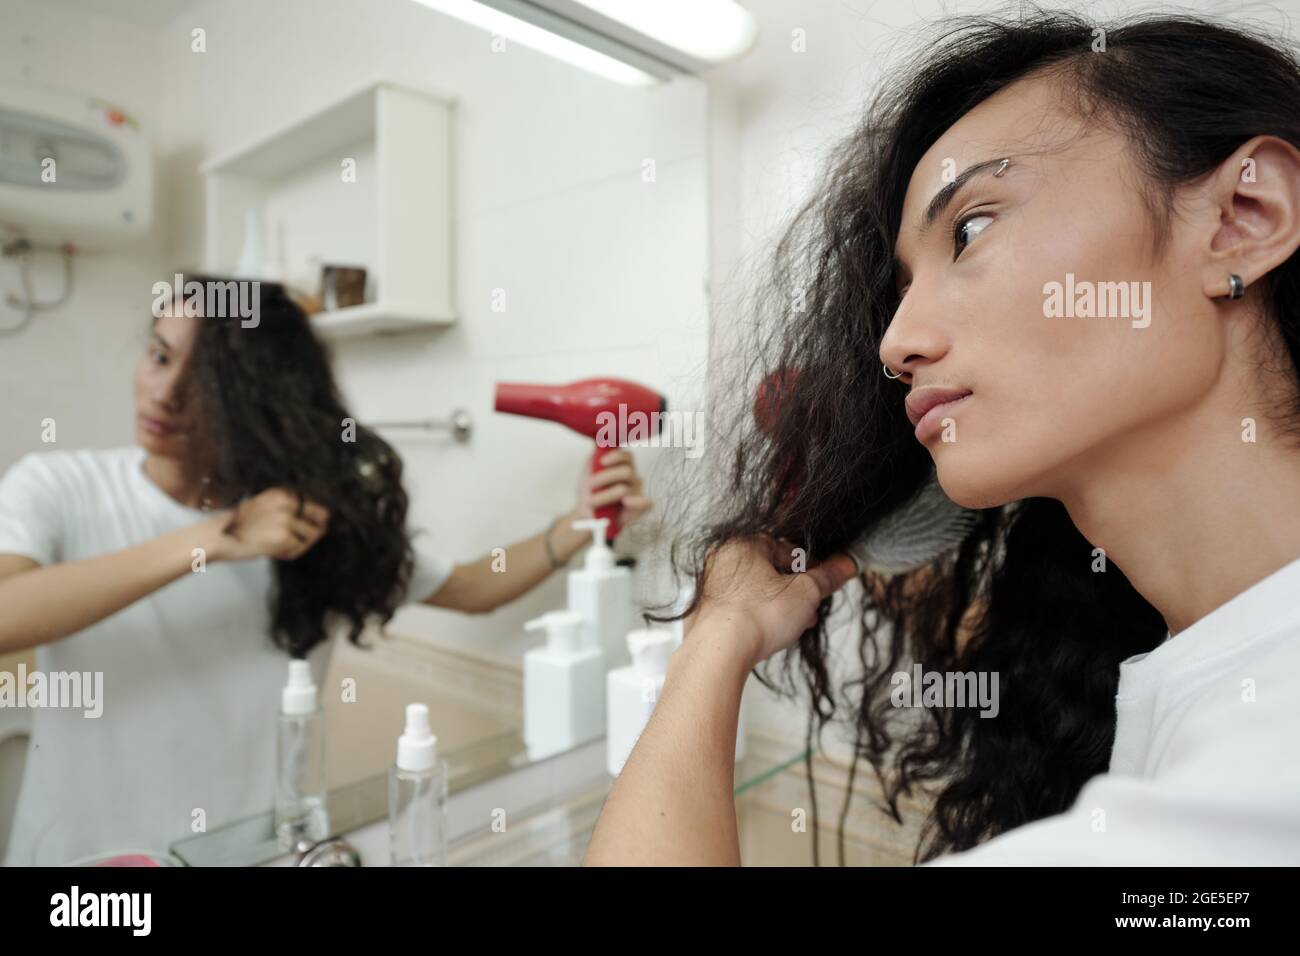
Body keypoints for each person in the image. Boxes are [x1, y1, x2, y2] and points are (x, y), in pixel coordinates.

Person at [586, 10, 1300, 865]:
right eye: (901, 287)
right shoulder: (1201, 680)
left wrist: (716, 640)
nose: (895, 344)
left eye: (969, 229)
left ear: (1244, 218)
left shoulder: (1261, 787)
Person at [0, 278, 650, 865]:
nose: (164, 393)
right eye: (159, 355)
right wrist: (215, 539)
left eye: (201, 381)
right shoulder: (59, 487)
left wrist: (573, 526)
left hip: (256, 858)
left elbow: (472, 588)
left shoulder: (308, 524)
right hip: (77, 870)